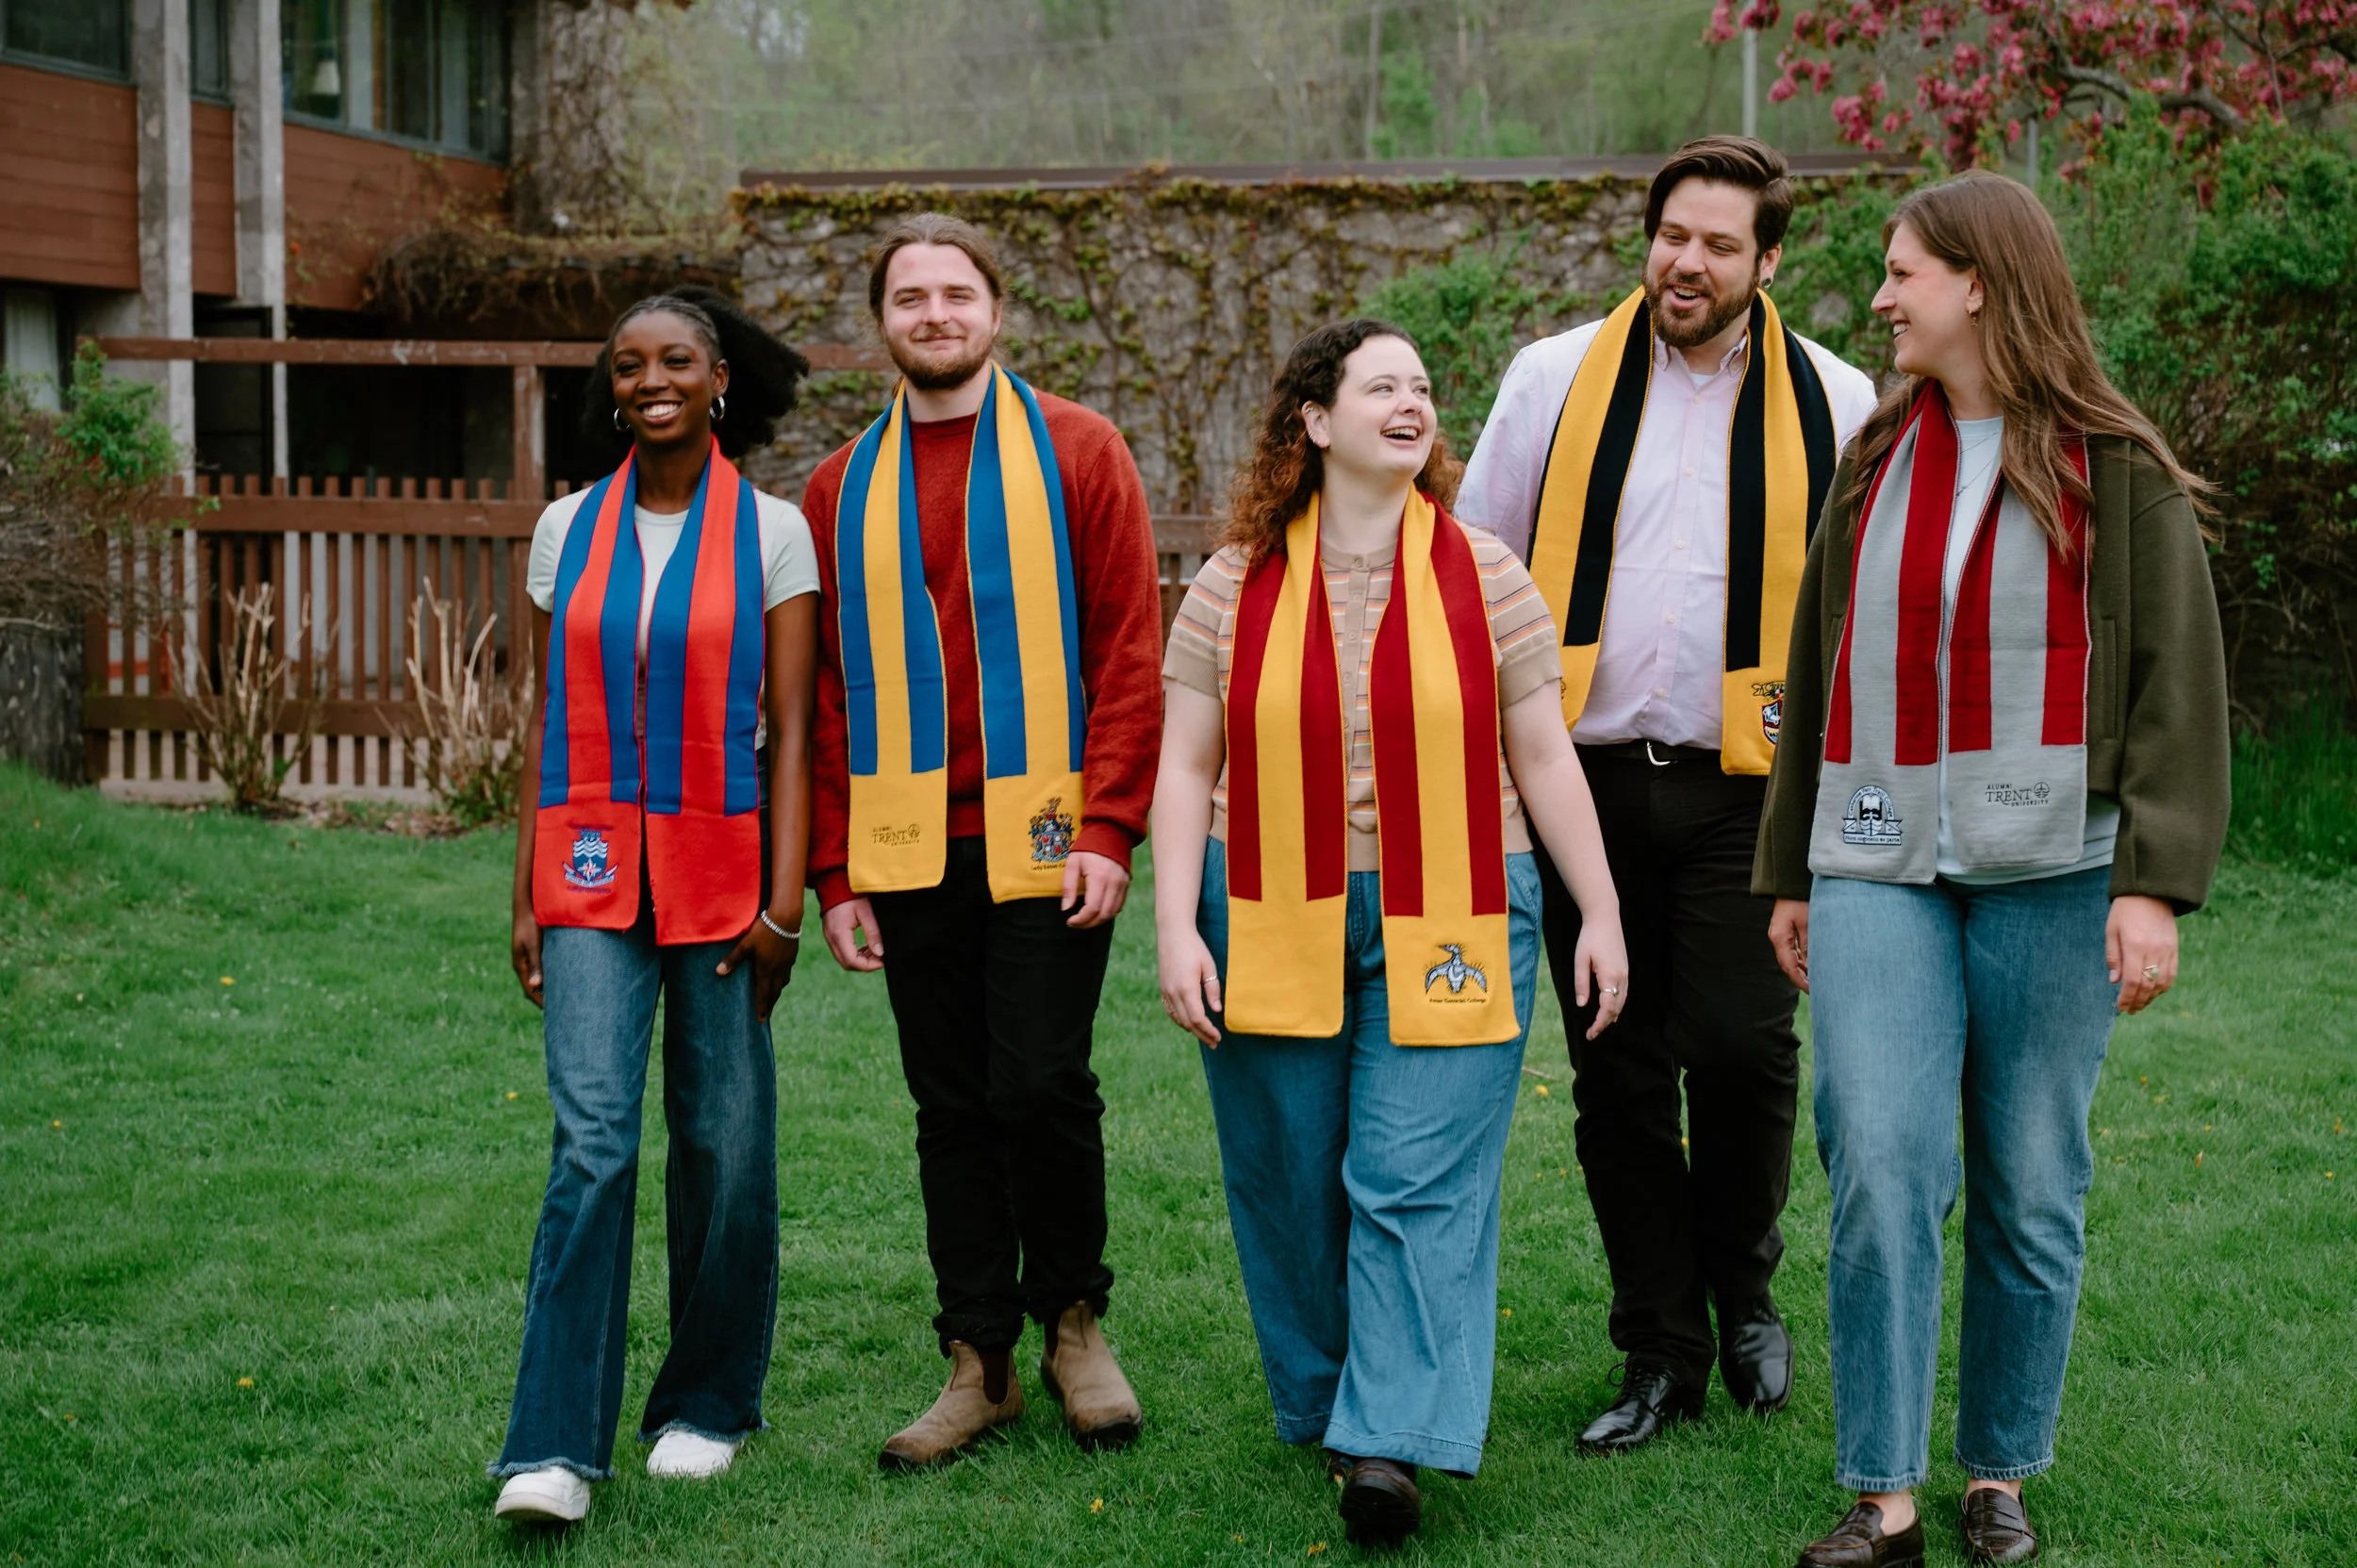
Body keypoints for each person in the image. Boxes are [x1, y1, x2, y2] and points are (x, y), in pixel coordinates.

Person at [1755, 173, 2229, 1567]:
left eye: (1903, 274)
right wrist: (1795, 866)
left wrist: (2152, 881)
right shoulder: (1872, 457)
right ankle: (1884, 1491)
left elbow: (2173, 687)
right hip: (1877, 861)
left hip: (2056, 867)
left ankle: (1999, 1469)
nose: (1883, 298)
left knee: (2029, 1173)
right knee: (1881, 1155)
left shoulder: (2115, 462)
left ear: (1979, 281)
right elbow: (1819, 666)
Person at [1155, 319, 1631, 1546]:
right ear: (1315, 422)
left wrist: (1602, 912)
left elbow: (1542, 752)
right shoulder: (1230, 582)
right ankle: (1327, 1398)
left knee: (1415, 1175)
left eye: (1423, 387)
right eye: (1382, 386)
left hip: (1464, 900)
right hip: (1261, 900)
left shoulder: (1487, 573)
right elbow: (1183, 763)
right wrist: (1172, 927)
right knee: (1290, 1171)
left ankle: (1390, 1439)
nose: (1412, 402)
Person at [1454, 135, 1879, 1450]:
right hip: (1580, 781)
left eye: (1717, 244)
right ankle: (1658, 1345)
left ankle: (1746, 1291)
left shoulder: (1841, 398)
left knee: (1746, 1051)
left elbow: (1861, 603)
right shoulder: (1553, 378)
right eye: (1671, 236)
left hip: (1746, 787)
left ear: (1770, 260)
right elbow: (1478, 561)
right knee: (1618, 1073)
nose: (1686, 263)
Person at [802, 213, 1164, 1469]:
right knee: (948, 1102)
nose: (936, 313)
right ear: (884, 322)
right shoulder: (840, 487)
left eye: (958, 292)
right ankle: (978, 1359)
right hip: (910, 846)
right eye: (912, 296)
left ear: (996, 311)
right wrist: (834, 867)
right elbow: (827, 694)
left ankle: (1073, 1325)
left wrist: (1114, 822)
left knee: (1040, 1084)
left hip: (1054, 840)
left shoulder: (1079, 449)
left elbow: (1129, 644)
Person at [490, 288, 819, 1525]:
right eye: (627, 365)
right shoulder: (564, 531)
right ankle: (552, 1447)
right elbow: (544, 720)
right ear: (611, 387)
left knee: (723, 1140)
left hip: (726, 875)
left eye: (674, 359)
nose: (650, 380)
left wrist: (784, 901)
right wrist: (522, 884)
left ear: (717, 375)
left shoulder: (776, 536)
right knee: (592, 1141)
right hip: (583, 874)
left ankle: (707, 1398)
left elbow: (790, 734)